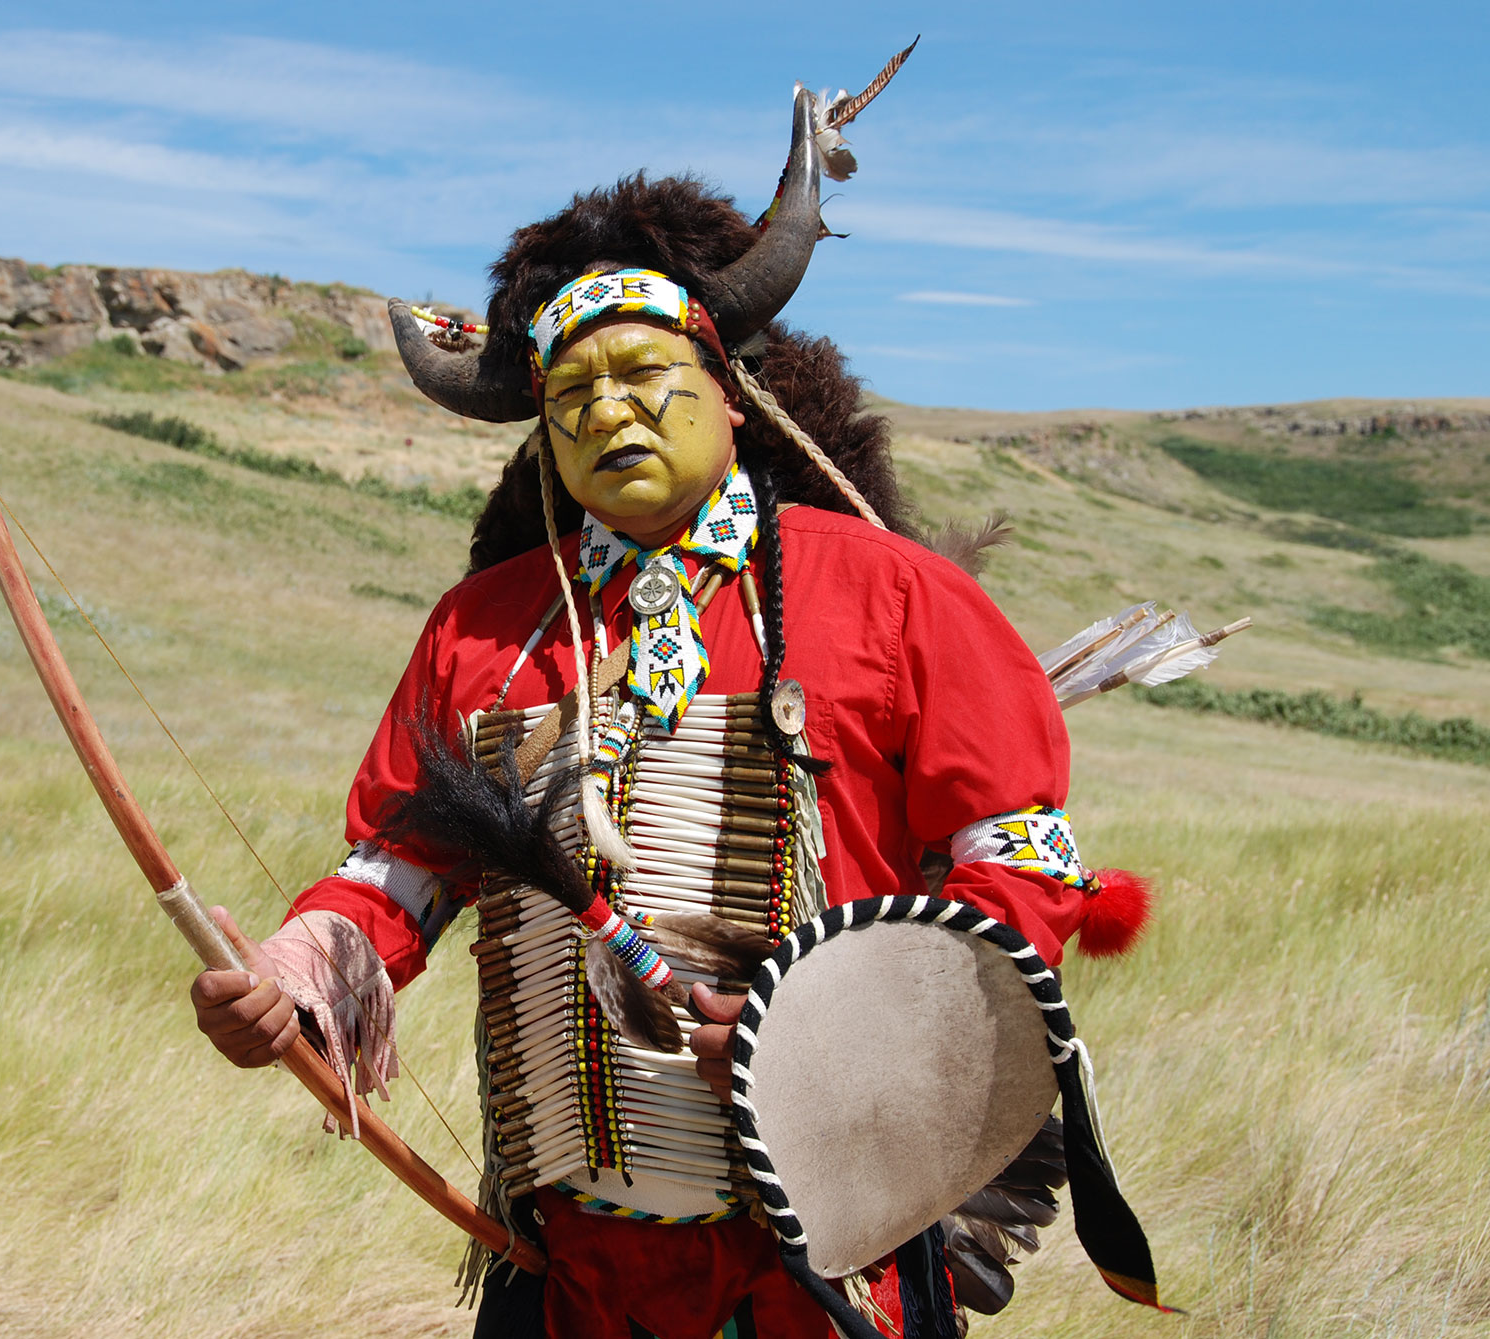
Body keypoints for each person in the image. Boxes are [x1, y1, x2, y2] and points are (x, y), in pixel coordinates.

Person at [190, 87, 1142, 1338]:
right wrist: (294, 982)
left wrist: (822, 1041)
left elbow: (1016, 865)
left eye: (643, 370)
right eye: (568, 394)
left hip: (821, 1242)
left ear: (730, 394)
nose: (606, 411)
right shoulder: (487, 624)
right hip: (569, 1262)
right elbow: (399, 868)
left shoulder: (893, 594)